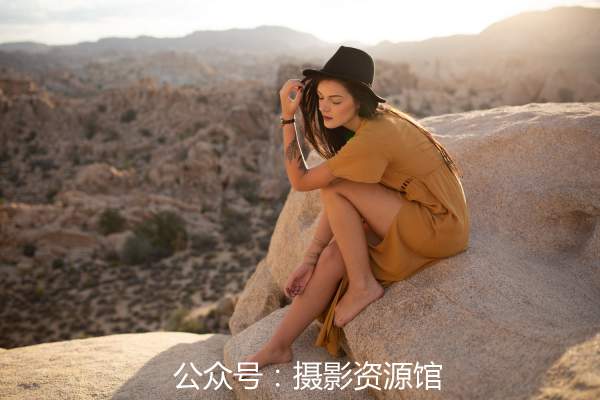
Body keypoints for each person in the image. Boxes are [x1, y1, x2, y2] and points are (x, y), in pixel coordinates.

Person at [242, 46, 470, 369]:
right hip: (415, 213)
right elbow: (342, 202)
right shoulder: (368, 125)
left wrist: (288, 118)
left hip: (439, 225)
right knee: (334, 255)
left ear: (359, 101)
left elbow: (302, 180)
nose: (325, 108)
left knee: (334, 189)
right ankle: (278, 347)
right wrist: (310, 259)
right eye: (321, 98)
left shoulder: (375, 135)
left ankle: (363, 286)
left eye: (336, 101)